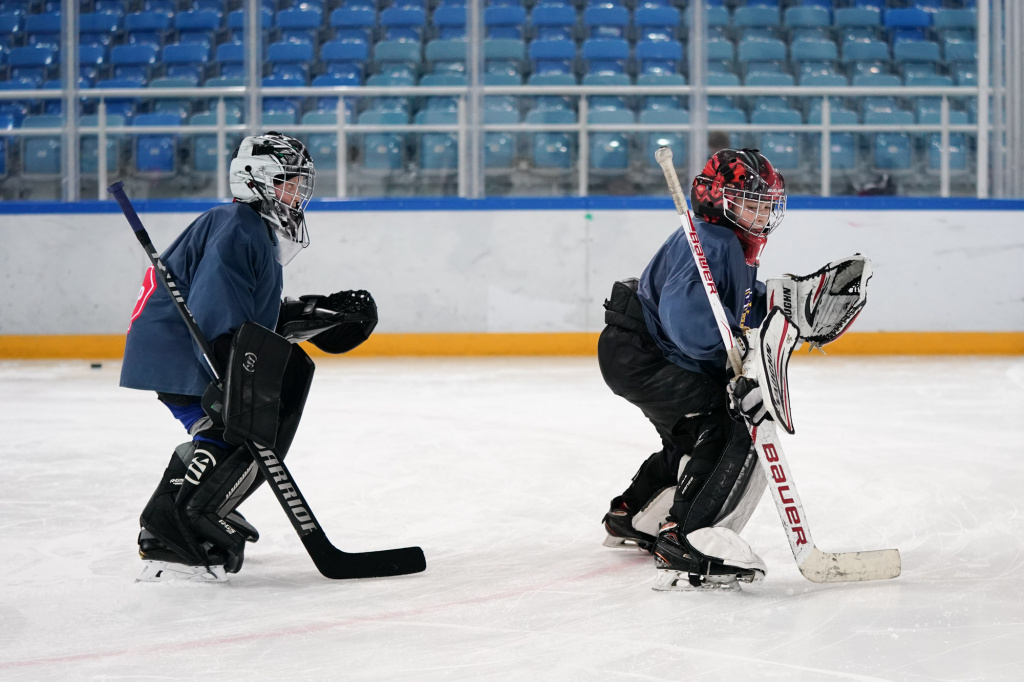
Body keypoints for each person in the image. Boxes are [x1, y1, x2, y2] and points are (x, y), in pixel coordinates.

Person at [121, 132, 376, 582]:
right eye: (289, 182)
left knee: (235, 433)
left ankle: (197, 508)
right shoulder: (238, 227)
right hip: (181, 350)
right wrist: (231, 375)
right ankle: (172, 528)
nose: (298, 193)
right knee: (234, 432)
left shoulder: (251, 229)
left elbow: (255, 317)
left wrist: (323, 317)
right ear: (257, 179)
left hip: (178, 347)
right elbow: (216, 313)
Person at [597, 148, 786, 588]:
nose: (761, 214)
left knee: (692, 435)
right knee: (729, 422)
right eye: (749, 202)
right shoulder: (712, 242)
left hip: (635, 351)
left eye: (766, 204)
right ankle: (687, 537)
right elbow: (687, 322)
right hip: (648, 356)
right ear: (717, 198)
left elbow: (736, 304)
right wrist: (729, 355)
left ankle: (635, 514)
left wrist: (783, 303)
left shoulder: (722, 241)